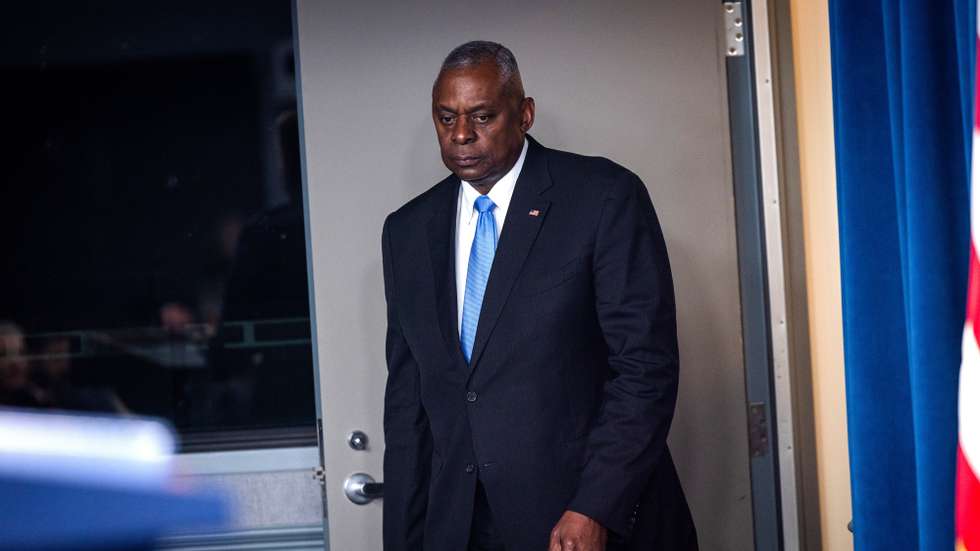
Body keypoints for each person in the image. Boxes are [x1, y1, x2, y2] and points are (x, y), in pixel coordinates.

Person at [381, 41, 697, 551]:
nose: (461, 135)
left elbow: (644, 368)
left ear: (524, 114)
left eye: (482, 116)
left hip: (581, 519)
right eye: (446, 118)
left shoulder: (602, 197)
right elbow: (408, 405)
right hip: (460, 529)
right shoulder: (406, 232)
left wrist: (595, 506)